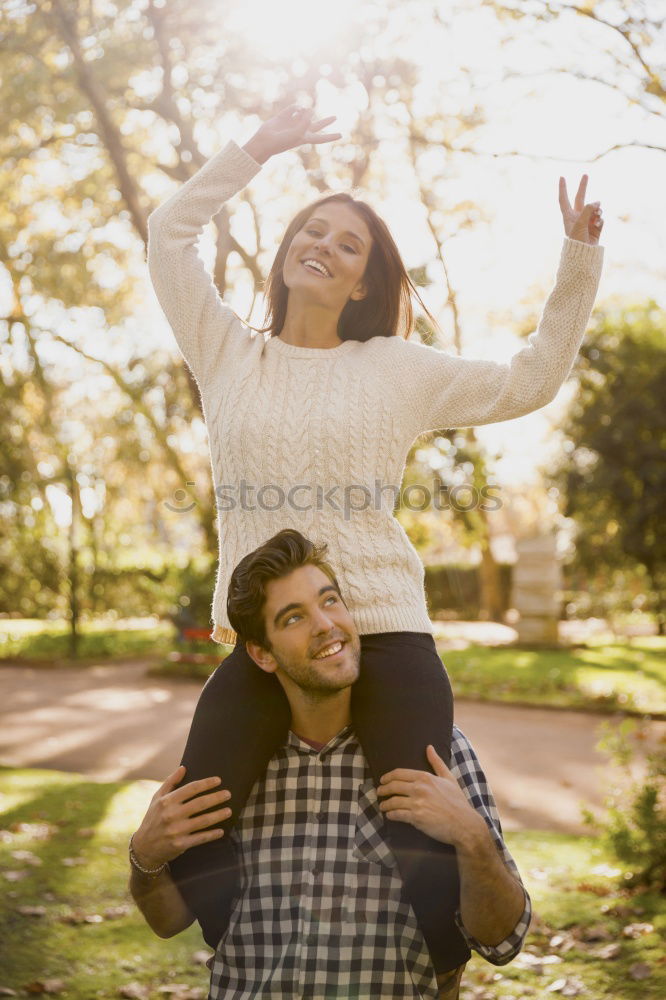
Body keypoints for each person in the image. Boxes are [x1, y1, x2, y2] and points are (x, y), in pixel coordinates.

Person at [146, 101, 603, 973]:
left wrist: (578, 258)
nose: (323, 242)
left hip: (386, 630)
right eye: (312, 229)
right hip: (265, 640)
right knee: (196, 828)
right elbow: (171, 234)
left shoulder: (396, 370)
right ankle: (257, 969)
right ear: (287, 254)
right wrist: (257, 149)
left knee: (422, 840)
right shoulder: (227, 353)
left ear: (362, 282)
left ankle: (437, 980)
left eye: (348, 243)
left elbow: (531, 379)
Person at [129, 529, 531, 1000]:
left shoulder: (440, 756)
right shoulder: (229, 772)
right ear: (261, 653)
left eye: (330, 601)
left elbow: (504, 940)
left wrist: (472, 837)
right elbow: (168, 922)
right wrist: (145, 857)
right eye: (294, 617)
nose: (324, 625)